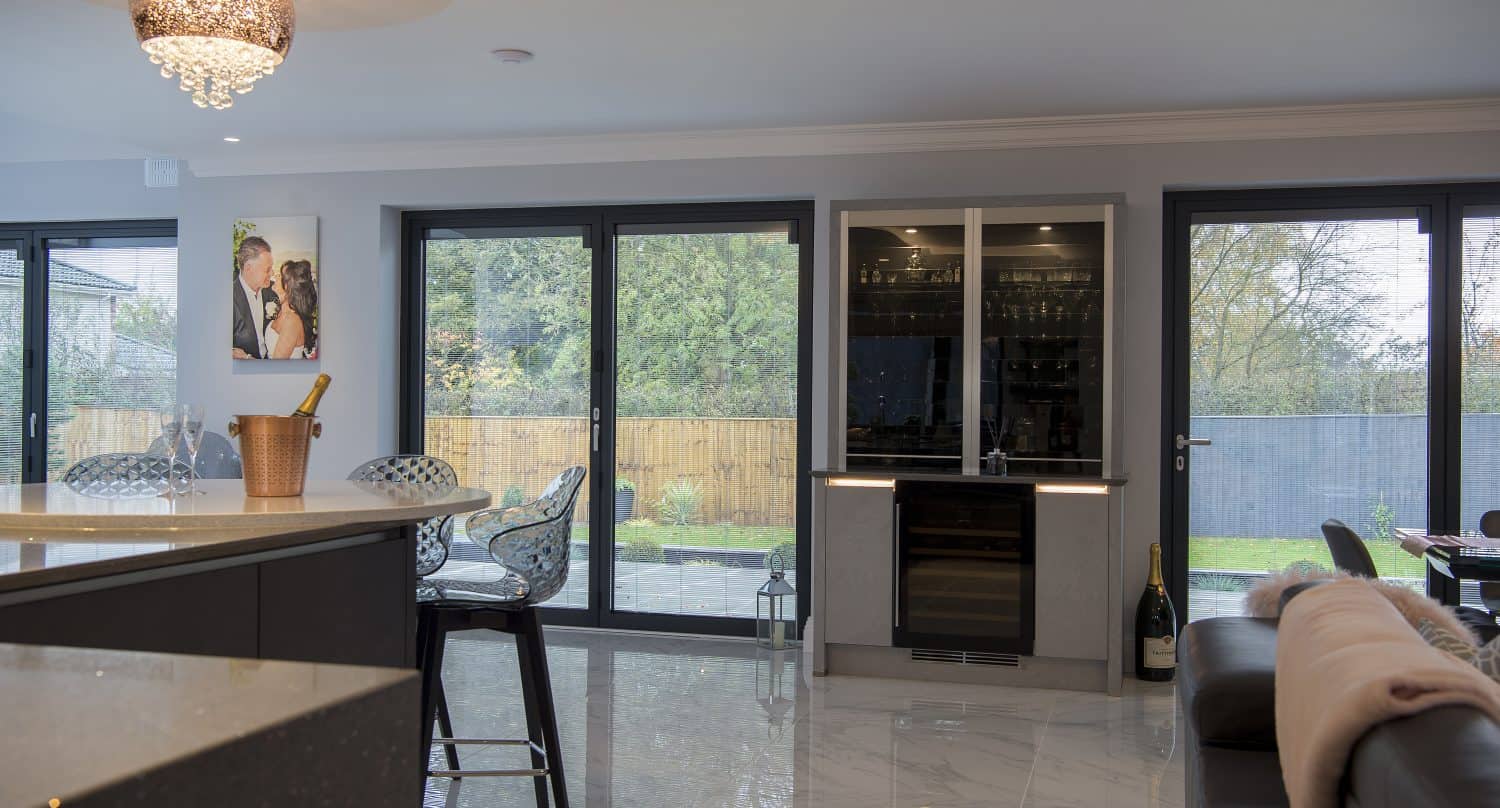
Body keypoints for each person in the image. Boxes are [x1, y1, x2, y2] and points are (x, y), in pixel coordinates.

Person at [231, 236, 281, 359]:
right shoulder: (229, 297)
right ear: (248, 268)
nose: (272, 274)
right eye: (267, 269)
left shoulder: (274, 292)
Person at [265, 259, 318, 359]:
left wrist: (245, 357)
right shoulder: (282, 310)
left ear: (288, 287)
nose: (275, 276)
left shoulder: (292, 322)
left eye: (280, 275)